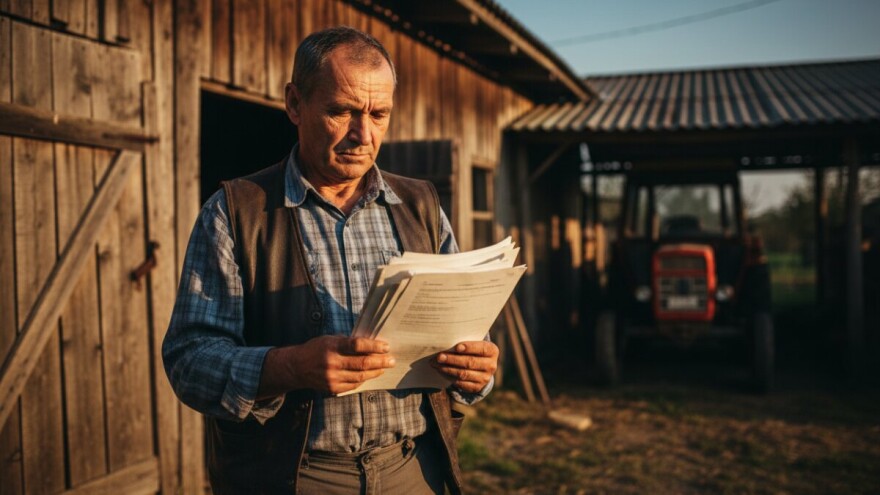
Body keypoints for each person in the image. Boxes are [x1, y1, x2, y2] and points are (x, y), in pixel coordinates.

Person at [162, 26, 499, 495]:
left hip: (413, 470)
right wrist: (290, 366)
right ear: (295, 104)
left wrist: (477, 367)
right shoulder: (235, 212)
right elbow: (188, 361)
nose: (363, 135)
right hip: (294, 478)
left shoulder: (421, 206)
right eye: (341, 112)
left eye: (379, 114)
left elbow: (470, 335)